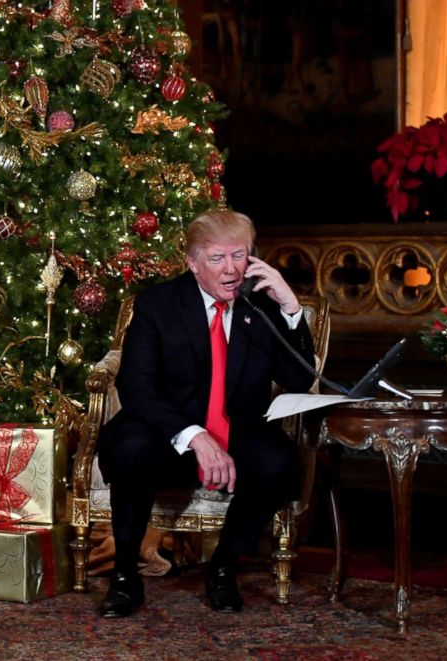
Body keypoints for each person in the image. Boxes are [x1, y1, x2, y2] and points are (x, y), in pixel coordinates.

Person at [96, 209, 315, 617]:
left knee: (278, 461)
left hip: (240, 431)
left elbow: (300, 381)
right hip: (169, 432)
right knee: (129, 447)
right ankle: (125, 574)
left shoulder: (263, 307)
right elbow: (136, 388)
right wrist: (194, 435)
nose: (231, 269)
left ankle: (224, 567)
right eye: (217, 258)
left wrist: (289, 307)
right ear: (193, 262)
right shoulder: (158, 304)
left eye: (240, 256)